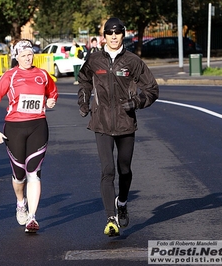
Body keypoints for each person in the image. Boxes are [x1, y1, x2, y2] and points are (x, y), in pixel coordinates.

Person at [77, 18, 159, 237]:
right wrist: (84, 102)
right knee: (107, 170)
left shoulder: (133, 61)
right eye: (109, 33)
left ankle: (122, 202)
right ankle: (110, 218)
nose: (113, 37)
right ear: (104, 35)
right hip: (101, 123)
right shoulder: (94, 59)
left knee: (124, 169)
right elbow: (83, 80)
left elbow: (152, 89)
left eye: (118, 33)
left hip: (125, 123)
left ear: (123, 35)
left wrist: (137, 103)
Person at [0, 39, 58, 233]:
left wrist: (51, 100)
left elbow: (52, 92)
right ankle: (20, 202)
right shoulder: (10, 76)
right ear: (16, 57)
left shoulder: (42, 74)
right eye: (24, 55)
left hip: (38, 126)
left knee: (33, 172)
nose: (28, 58)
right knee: (19, 175)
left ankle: (32, 217)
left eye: (30, 54)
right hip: (14, 128)